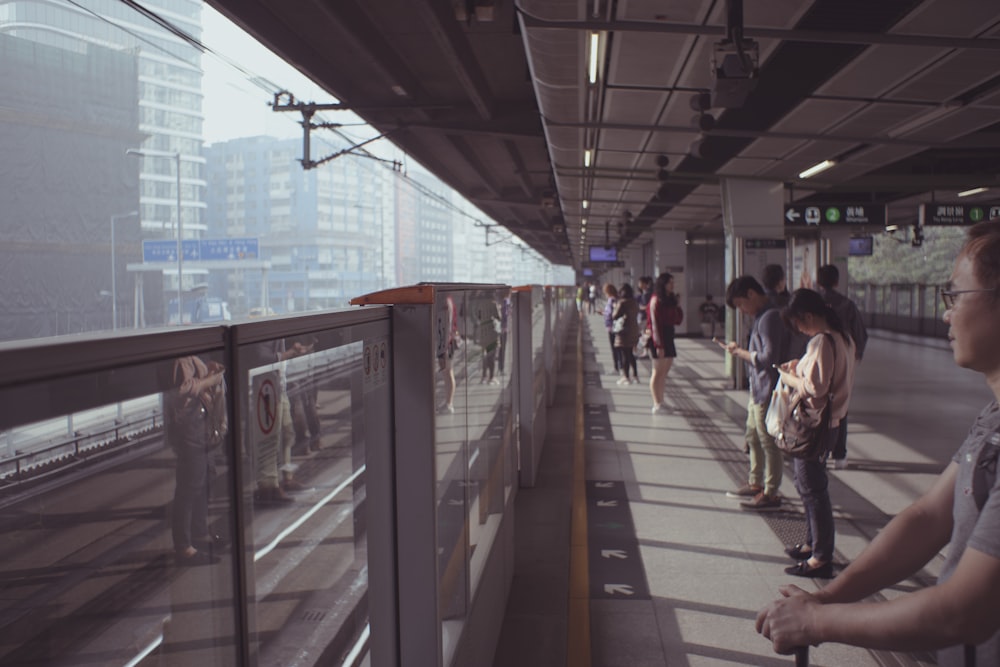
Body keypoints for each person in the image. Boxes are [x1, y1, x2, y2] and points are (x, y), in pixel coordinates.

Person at [756, 221, 1000, 665]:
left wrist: (814, 623)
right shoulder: (993, 417)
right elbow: (927, 518)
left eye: (955, 296)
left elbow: (965, 610)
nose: (946, 313)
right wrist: (826, 600)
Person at [774, 288, 856, 578]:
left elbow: (815, 388)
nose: (799, 330)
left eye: (798, 323)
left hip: (814, 425)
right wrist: (801, 367)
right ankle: (811, 544)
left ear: (807, 316)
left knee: (813, 491)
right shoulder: (843, 337)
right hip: (831, 422)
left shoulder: (821, 341)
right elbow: (828, 378)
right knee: (807, 485)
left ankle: (821, 557)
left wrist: (788, 376)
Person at [722, 276, 793, 510]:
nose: (742, 310)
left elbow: (767, 358)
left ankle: (771, 492)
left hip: (768, 389)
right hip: (758, 388)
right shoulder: (763, 316)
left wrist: (739, 353)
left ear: (752, 294)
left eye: (742, 304)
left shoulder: (770, 317)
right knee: (752, 436)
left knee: (767, 441)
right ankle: (755, 482)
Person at [164, 355, 227, 565]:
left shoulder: (191, 356)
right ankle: (183, 546)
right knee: (189, 487)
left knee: (206, 478)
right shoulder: (179, 358)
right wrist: (210, 380)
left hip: (202, 427)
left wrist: (208, 371)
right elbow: (181, 391)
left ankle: (199, 532)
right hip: (189, 430)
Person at [816, 264, 868, 470]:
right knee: (840, 406)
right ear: (837, 281)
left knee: (816, 404)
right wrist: (856, 356)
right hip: (843, 358)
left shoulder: (815, 303)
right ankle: (840, 455)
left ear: (818, 282)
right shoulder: (847, 305)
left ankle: (818, 448)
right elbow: (860, 333)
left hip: (819, 355)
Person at [647, 272, 683, 414]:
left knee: (664, 372)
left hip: (669, 335)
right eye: (670, 283)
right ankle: (656, 403)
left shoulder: (670, 299)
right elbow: (654, 324)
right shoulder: (655, 300)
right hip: (658, 338)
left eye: (673, 282)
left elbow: (678, 320)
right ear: (663, 284)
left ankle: (661, 401)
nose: (672, 285)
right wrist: (658, 345)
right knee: (657, 371)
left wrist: (678, 305)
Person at [612, 283, 641, 385]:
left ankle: (626, 377)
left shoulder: (622, 303)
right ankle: (636, 376)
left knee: (625, 355)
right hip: (634, 330)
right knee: (631, 354)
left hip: (625, 332)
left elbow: (614, 316)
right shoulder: (634, 302)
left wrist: (615, 307)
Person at [602, 283, 621, 375]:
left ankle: (616, 367)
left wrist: (603, 313)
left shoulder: (611, 300)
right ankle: (620, 367)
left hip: (611, 327)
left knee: (614, 348)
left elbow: (610, 314)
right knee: (618, 347)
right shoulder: (617, 299)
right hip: (616, 326)